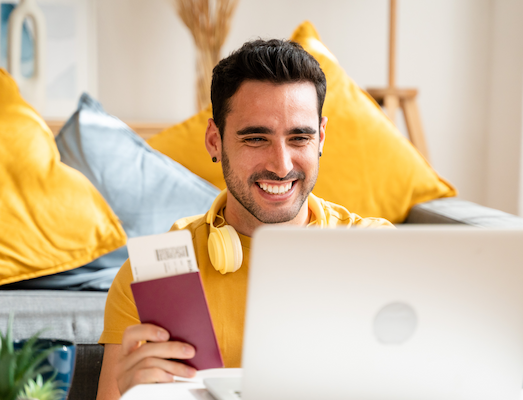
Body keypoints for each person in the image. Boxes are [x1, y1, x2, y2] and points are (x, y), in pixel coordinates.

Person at [95, 39, 393, 399]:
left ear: (321, 138)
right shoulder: (158, 272)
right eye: (256, 138)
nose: (281, 165)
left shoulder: (380, 251)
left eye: (299, 137)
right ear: (214, 142)